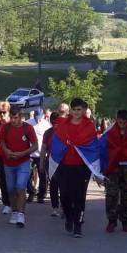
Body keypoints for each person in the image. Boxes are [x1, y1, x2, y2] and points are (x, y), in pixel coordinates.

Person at [53, 98, 96, 238]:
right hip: (64, 165)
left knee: (79, 197)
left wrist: (96, 169)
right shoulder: (63, 125)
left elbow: (92, 146)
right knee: (65, 195)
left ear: (83, 111)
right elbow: (57, 143)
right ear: (70, 110)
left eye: (79, 110)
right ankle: (69, 217)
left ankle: (78, 226)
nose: (76, 112)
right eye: (74, 109)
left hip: (81, 167)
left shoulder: (89, 126)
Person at [0, 106, 38, 228]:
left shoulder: (28, 128)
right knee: (10, 189)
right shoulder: (5, 127)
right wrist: (6, 151)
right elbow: (1, 142)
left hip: (23, 161)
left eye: (15, 118)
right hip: (8, 162)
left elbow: (35, 145)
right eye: (11, 117)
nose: (13, 120)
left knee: (20, 186)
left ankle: (21, 213)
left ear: (21, 117)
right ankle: (14, 211)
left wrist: (23, 153)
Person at [28, 109, 51, 203]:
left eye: (40, 117)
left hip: (42, 154)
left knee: (43, 175)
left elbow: (49, 139)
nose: (38, 119)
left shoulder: (46, 125)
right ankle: (31, 192)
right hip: (30, 153)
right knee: (27, 175)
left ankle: (41, 195)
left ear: (43, 116)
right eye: (36, 117)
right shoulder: (28, 123)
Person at [0, 101, 12, 215]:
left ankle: (16, 203)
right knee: (4, 179)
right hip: (1, 155)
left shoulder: (14, 123)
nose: (1, 115)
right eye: (0, 112)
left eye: (4, 112)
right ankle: (7, 203)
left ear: (8, 112)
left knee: (14, 181)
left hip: (14, 155)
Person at [40, 112, 61, 216]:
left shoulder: (64, 132)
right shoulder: (48, 133)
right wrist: (41, 162)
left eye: (57, 121)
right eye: (53, 121)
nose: (55, 123)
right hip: (51, 161)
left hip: (63, 162)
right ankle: (55, 207)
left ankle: (65, 206)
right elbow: (43, 148)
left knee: (64, 185)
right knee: (53, 184)